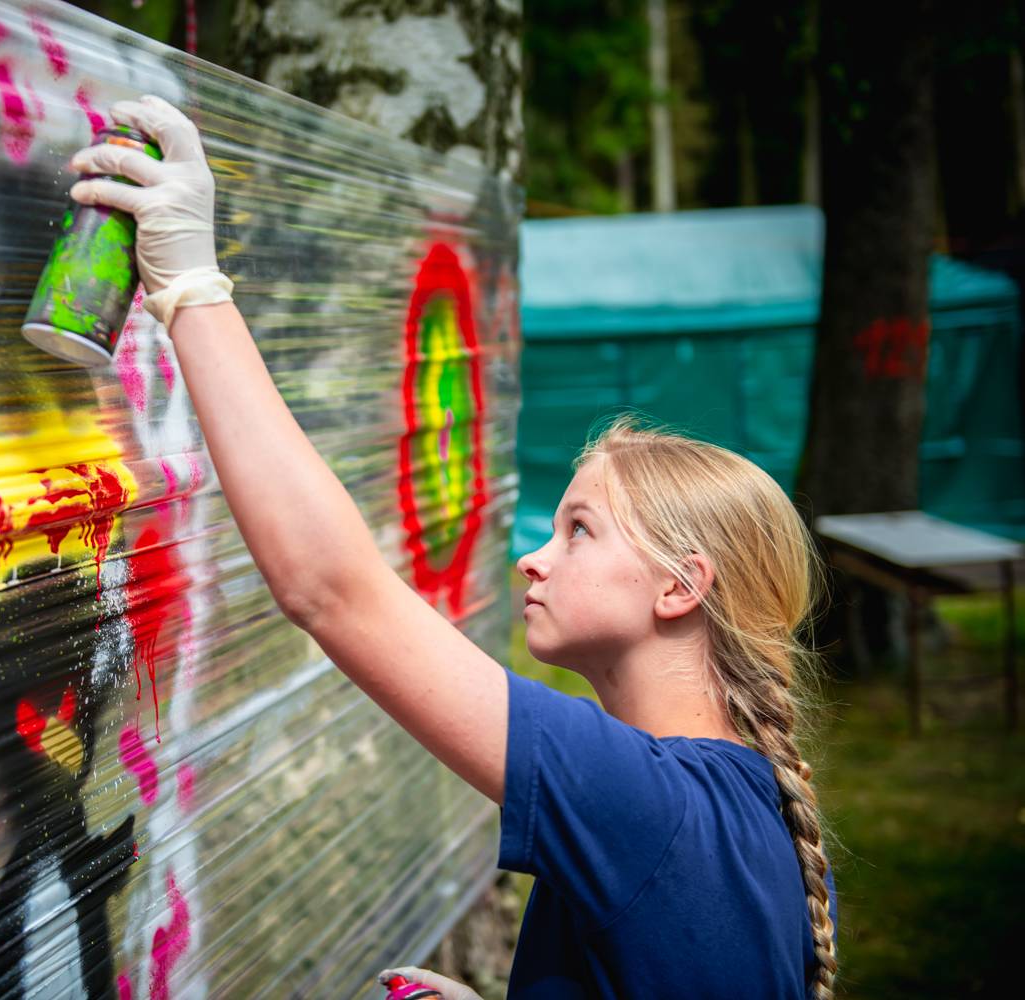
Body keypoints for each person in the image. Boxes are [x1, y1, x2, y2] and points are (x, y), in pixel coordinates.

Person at [67, 95, 839, 999]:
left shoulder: (640, 805)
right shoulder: (751, 816)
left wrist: (190, 288)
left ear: (680, 588)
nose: (533, 559)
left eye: (578, 531)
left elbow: (332, 590)